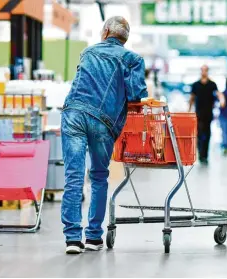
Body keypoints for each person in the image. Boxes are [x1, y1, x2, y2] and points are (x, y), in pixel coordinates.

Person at [61, 16, 147, 254]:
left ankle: (72, 240)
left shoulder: (88, 52)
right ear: (124, 38)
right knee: (98, 176)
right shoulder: (132, 59)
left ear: (106, 31)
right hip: (102, 122)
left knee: (74, 177)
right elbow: (136, 95)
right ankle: (93, 238)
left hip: (74, 115)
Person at [188, 65, 218, 164]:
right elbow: (192, 98)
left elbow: (217, 95)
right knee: (199, 134)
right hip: (199, 114)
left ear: (208, 71)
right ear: (200, 71)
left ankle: (205, 154)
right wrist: (189, 110)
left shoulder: (212, 84)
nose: (204, 72)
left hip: (208, 114)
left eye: (206, 70)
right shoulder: (196, 85)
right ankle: (201, 154)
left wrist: (221, 100)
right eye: (202, 70)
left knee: (207, 134)